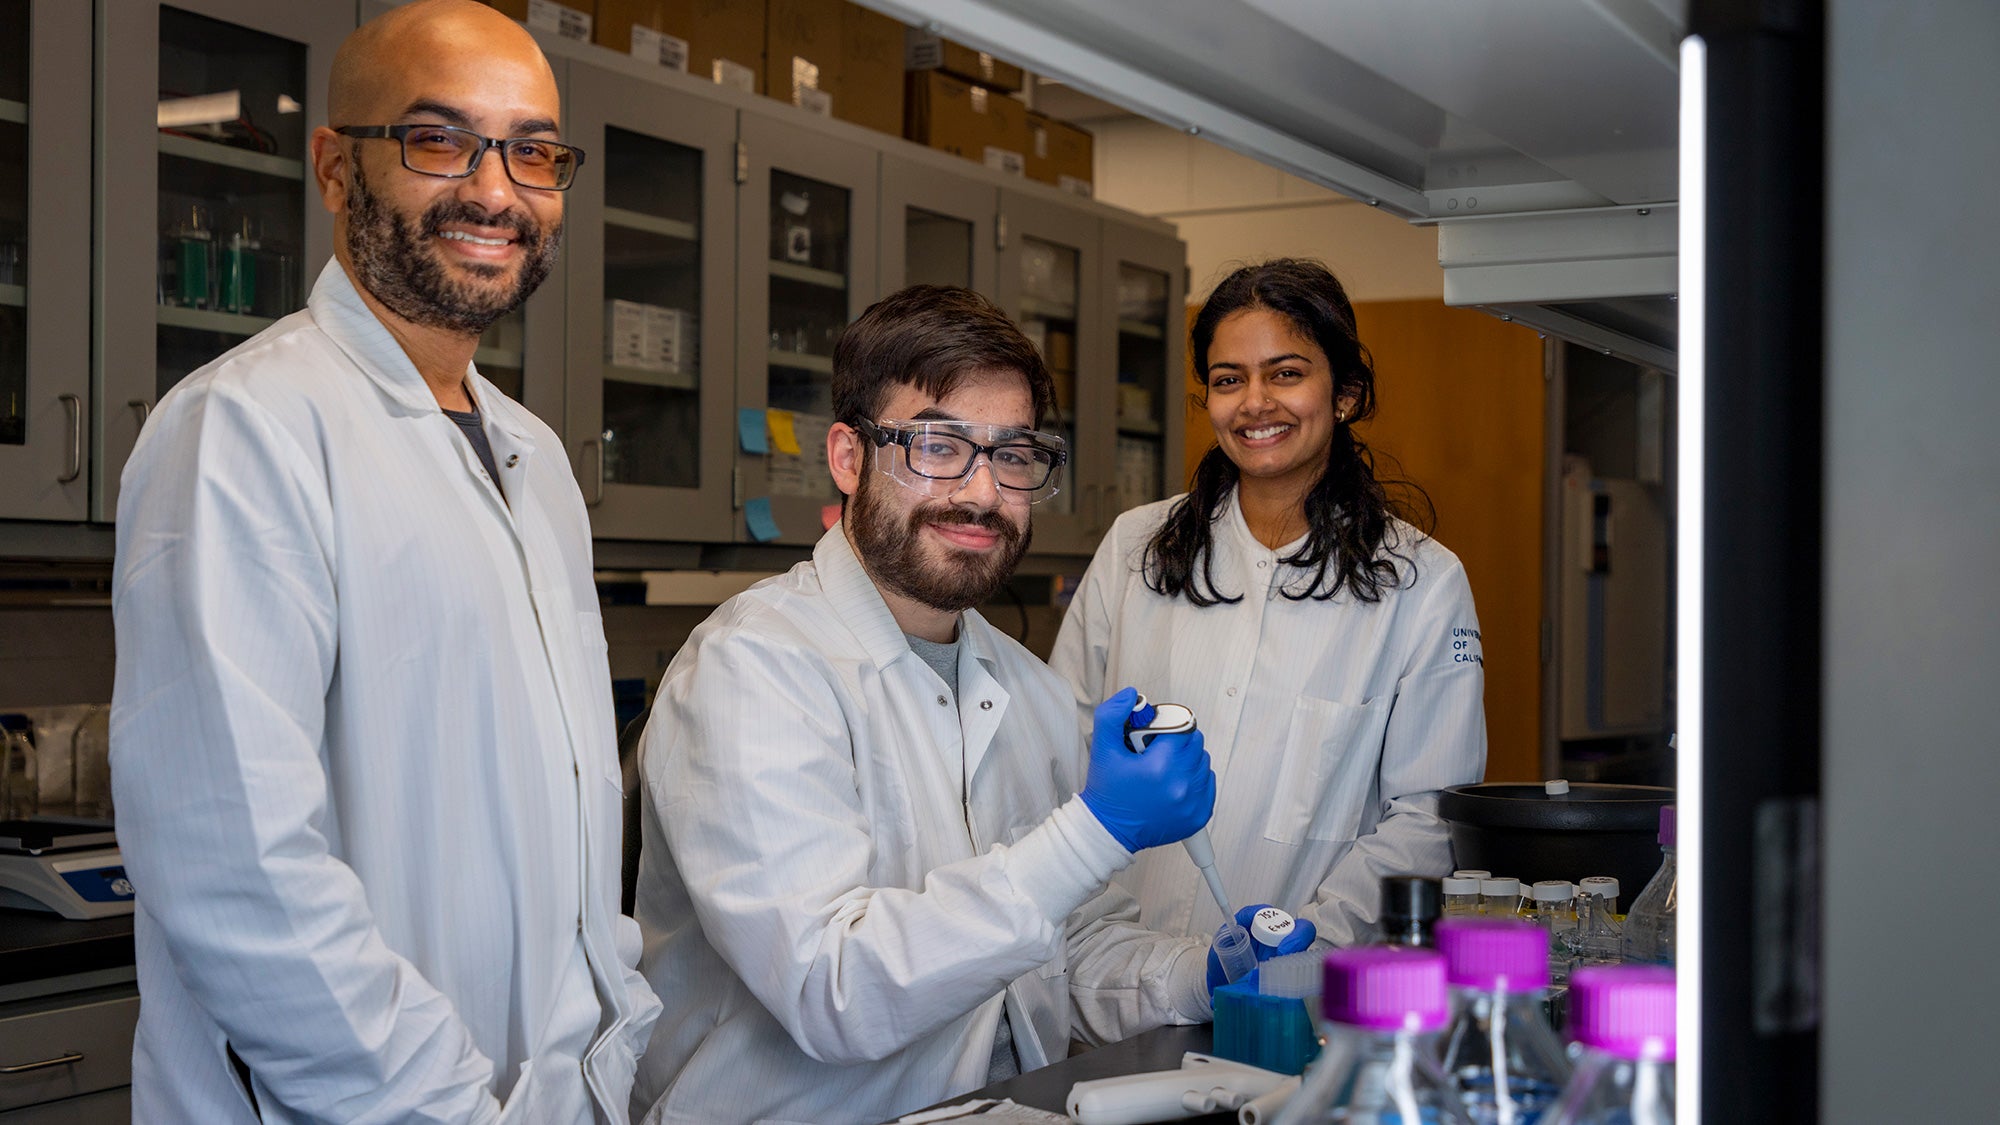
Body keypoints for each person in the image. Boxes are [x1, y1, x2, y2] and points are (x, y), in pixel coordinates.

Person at [108, 3, 658, 1121]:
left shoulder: (537, 460)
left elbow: (563, 828)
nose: (495, 192)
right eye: (438, 140)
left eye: (533, 152)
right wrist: (440, 1106)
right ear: (332, 166)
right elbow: (240, 872)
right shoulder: (244, 429)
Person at [630, 286, 1243, 1125]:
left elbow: (1067, 944)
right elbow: (831, 986)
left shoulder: (1029, 690)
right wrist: (1094, 831)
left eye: (1014, 455)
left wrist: (1202, 972)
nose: (984, 492)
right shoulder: (753, 668)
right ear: (849, 457)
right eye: (938, 446)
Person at [1049, 258, 1488, 949]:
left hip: (1290, 992)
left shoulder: (1420, 584)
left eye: (1286, 373)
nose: (1255, 402)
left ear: (1344, 393)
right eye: (1229, 380)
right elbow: (1061, 746)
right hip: (1109, 975)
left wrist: (1309, 942)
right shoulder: (1136, 547)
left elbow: (1424, 818)